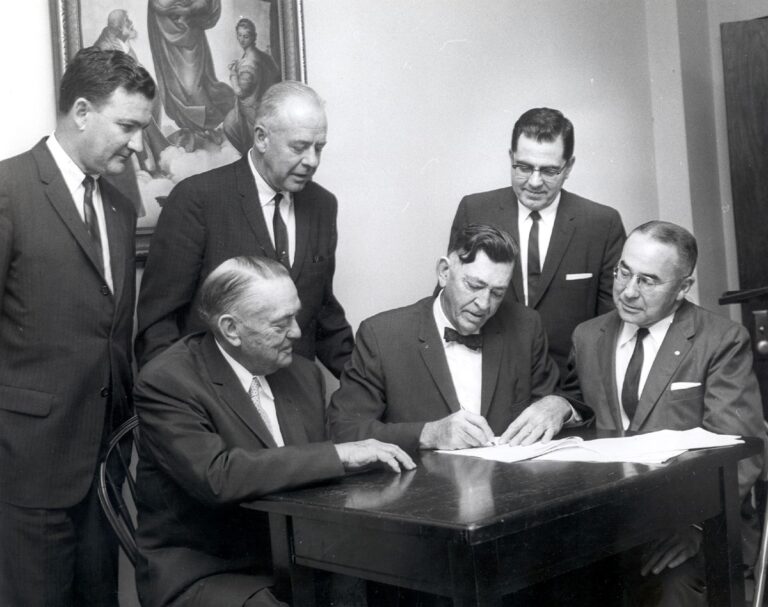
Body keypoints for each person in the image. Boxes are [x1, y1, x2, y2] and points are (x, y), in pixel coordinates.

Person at [134, 256, 414, 607]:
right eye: (281, 323)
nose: (297, 332)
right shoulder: (168, 381)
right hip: (209, 570)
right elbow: (217, 477)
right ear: (231, 329)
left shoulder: (302, 374)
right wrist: (337, 455)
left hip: (299, 559)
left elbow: (324, 467)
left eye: (296, 316)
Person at [0, 47, 154, 606]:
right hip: (27, 466)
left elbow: (111, 330)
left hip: (105, 464)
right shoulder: (9, 189)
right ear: (83, 111)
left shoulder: (119, 206)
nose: (137, 144)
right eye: (127, 126)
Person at [563, 220, 766, 606]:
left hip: (701, 524)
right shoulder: (587, 337)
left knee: (670, 589)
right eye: (624, 272)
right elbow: (580, 411)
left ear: (683, 287)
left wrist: (695, 527)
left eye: (648, 280)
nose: (628, 290)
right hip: (614, 528)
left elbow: (741, 452)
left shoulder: (721, 340)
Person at [136, 81, 354, 377]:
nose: (312, 161)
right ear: (262, 138)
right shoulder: (197, 199)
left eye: (319, 148)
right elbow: (159, 325)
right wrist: (174, 397)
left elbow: (324, 313)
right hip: (214, 396)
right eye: (299, 147)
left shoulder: (322, 205)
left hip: (297, 397)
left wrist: (370, 388)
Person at [328, 224, 588, 452]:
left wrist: (560, 405)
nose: (484, 304)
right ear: (444, 271)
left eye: (497, 293)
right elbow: (344, 429)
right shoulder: (382, 335)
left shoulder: (525, 326)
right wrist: (428, 434)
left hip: (510, 487)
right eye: (474, 286)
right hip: (422, 490)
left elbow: (552, 402)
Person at [450, 107, 625, 377]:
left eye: (549, 171)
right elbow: (450, 297)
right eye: (523, 167)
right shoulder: (474, 210)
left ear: (568, 167)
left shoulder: (602, 224)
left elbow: (611, 324)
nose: (534, 182)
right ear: (511, 158)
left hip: (570, 382)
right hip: (487, 376)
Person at [147, 0, 234, 148]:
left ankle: (209, 127)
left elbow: (208, 4)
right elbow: (158, 4)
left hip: (190, 34)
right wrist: (177, 8)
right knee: (176, 88)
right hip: (168, 34)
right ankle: (196, 131)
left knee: (193, 87)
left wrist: (188, 10)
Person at [223, 17, 281, 155]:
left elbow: (240, 92)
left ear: (253, 37)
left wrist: (233, 74)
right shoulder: (262, 56)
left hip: (252, 112)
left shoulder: (249, 63)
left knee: (229, 126)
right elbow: (275, 74)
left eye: (246, 36)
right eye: (239, 35)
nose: (242, 40)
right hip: (266, 106)